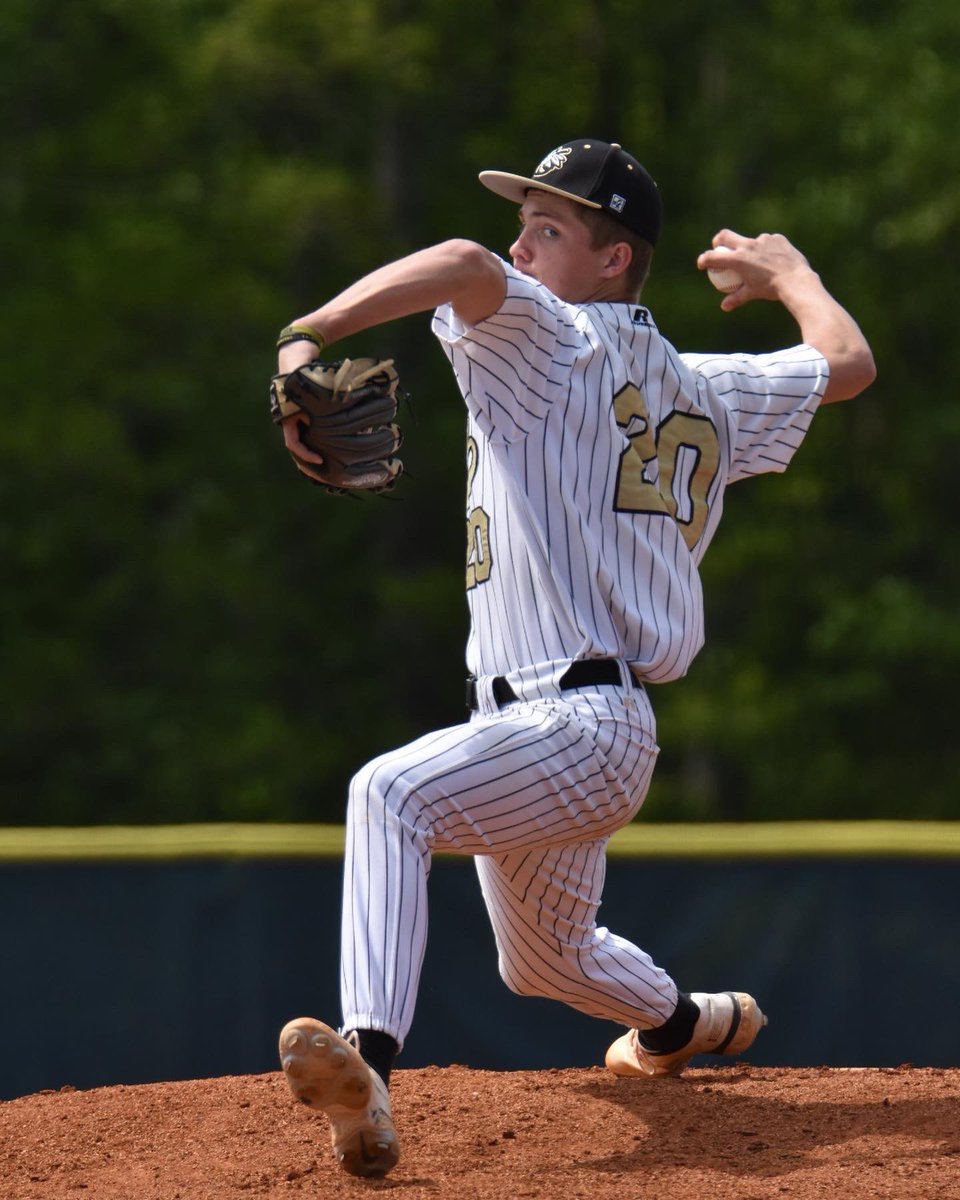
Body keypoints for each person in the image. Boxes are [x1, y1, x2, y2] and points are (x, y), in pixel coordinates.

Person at [273, 138, 876, 1179]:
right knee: (544, 960)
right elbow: (848, 367)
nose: (521, 243)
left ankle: (365, 1061)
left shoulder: (550, 341)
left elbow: (462, 259)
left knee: (388, 796)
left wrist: (308, 332)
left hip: (575, 721)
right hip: (567, 732)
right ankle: (688, 1022)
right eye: (527, 224)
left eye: (548, 229)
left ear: (613, 262)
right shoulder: (703, 389)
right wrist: (792, 277)